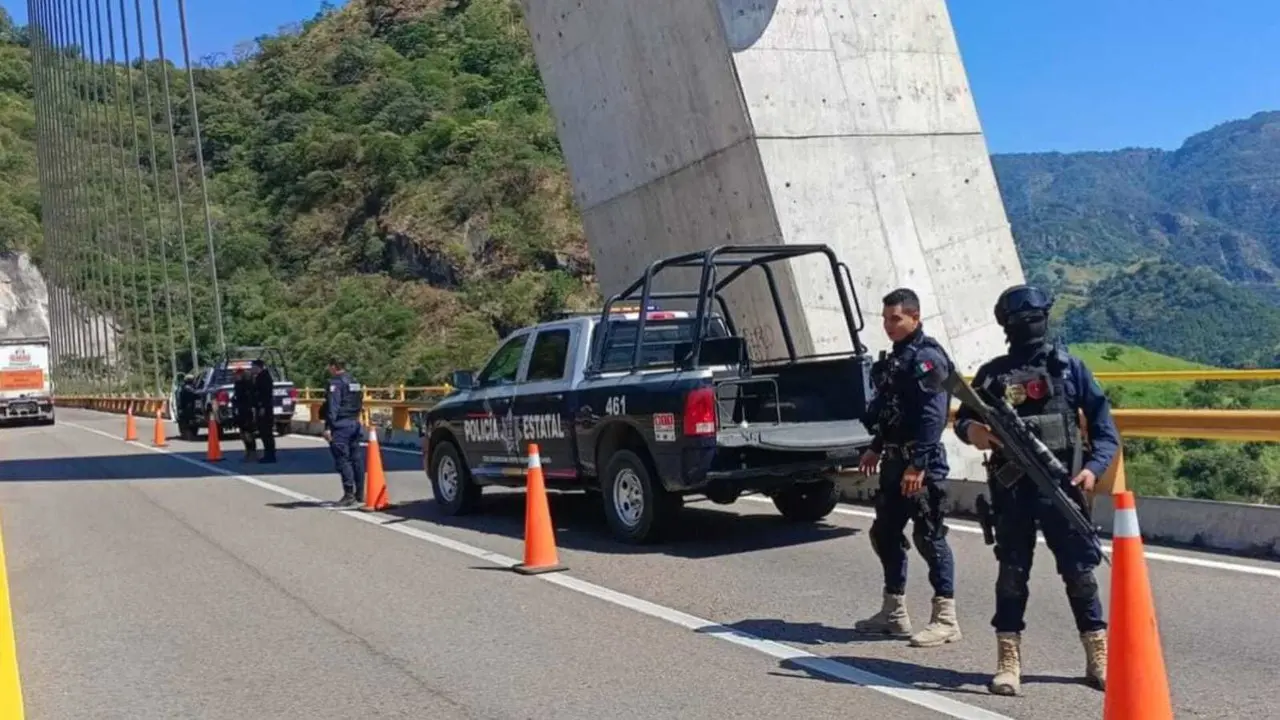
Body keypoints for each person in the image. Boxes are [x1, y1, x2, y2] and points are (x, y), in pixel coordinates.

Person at [953, 283, 1118, 696]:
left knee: (1080, 574)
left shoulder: (1070, 369)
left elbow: (1105, 431)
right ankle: (1008, 660)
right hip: (1012, 495)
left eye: (1033, 317)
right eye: (1020, 319)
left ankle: (1098, 654)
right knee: (1012, 575)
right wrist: (973, 430)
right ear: (1006, 324)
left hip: (1062, 487)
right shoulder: (992, 374)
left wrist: (1093, 471)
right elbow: (961, 419)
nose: (1029, 325)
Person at [854, 288, 960, 648]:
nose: (889, 326)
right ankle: (894, 613)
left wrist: (919, 465)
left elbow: (933, 415)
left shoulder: (928, 358)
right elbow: (892, 412)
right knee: (884, 534)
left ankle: (946, 618)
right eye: (885, 319)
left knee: (929, 536)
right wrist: (875, 447)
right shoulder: (898, 359)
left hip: (920, 464)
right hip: (893, 461)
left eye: (896, 319)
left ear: (915, 317)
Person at [322, 357, 365, 507]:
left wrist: (328, 427)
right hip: (354, 422)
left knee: (342, 459)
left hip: (340, 425)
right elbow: (360, 402)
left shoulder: (335, 384)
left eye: (329, 366)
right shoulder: (354, 381)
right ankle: (360, 493)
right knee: (356, 459)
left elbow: (332, 406)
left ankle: (349, 494)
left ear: (334, 367)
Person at [251, 360, 278, 463]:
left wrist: (262, 407)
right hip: (261, 408)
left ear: (258, 367)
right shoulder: (259, 377)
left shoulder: (264, 377)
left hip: (265, 409)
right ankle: (268, 453)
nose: (251, 369)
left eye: (253, 367)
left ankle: (270, 455)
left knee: (266, 432)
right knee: (263, 432)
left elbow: (265, 394)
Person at [232, 367, 258, 462]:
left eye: (237, 374)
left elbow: (251, 399)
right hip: (240, 411)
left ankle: (252, 452)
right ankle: (248, 451)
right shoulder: (238, 385)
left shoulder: (248, 386)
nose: (235, 376)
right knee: (243, 433)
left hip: (247, 411)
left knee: (248, 432)